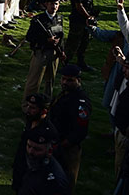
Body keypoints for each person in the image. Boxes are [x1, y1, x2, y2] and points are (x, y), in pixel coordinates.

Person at [48, 64, 91, 192]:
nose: (65, 82)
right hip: (55, 142)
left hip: (67, 147)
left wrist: (63, 145)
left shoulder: (80, 102)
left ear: (78, 81)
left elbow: (80, 130)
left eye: (70, 80)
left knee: (66, 180)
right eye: (63, 79)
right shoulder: (64, 94)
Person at [23, 0, 65, 103]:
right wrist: (46, 40)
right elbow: (30, 37)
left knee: (50, 81)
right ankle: (28, 104)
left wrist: (62, 50)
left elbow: (61, 36)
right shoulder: (38, 19)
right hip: (41, 52)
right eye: (52, 4)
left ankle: (46, 103)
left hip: (54, 53)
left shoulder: (59, 18)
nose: (54, 6)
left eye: (56, 4)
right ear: (46, 4)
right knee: (34, 82)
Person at [12, 93, 58, 193]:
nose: (28, 110)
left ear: (44, 111)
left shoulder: (47, 133)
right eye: (28, 106)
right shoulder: (31, 121)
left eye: (33, 108)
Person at [17, 126, 69, 195]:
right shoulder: (36, 163)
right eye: (29, 146)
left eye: (37, 149)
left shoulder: (53, 182)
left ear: (49, 151)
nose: (30, 152)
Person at [65, 0, 96, 72]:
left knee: (84, 41)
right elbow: (79, 5)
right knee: (73, 42)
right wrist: (87, 16)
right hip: (78, 19)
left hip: (85, 20)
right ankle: (64, 61)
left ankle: (81, 61)